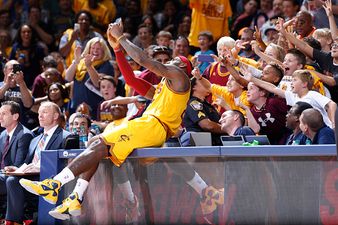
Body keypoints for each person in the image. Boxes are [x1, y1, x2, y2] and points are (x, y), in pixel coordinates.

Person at [19, 21, 224, 223]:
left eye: (174, 61)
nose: (169, 63)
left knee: (101, 144)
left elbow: (145, 60)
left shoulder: (181, 78)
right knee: (97, 145)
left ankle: (55, 185)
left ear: (182, 68)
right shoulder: (163, 89)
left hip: (153, 126)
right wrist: (116, 49)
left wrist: (122, 37)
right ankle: (75, 198)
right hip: (149, 126)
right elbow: (132, 81)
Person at [4, 101, 71, 225]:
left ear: (56, 116)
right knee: (11, 179)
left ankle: (15, 221)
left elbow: (67, 165)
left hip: (50, 179)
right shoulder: (35, 139)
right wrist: (17, 169)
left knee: (12, 181)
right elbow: (27, 163)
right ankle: (15, 220)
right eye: (39, 113)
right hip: (31, 177)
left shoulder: (66, 137)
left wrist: (40, 169)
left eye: (44, 112)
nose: (40, 116)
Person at [245, 69, 336, 129]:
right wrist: (252, 79)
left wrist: (333, 123)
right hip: (308, 130)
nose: (291, 83)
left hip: (324, 129)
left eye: (295, 80)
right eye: (291, 80)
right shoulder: (293, 96)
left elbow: (332, 104)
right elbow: (273, 88)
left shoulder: (312, 94)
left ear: (304, 84)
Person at [65, 37, 114, 119]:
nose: (95, 51)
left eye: (98, 49)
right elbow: (68, 78)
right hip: (76, 107)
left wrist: (89, 66)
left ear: (104, 51)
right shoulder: (81, 63)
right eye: (93, 48)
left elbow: (98, 83)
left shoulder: (106, 65)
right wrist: (76, 61)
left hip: (95, 109)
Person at [0, 101, 33, 208]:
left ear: (15, 116)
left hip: (13, 177)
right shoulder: (3, 134)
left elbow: (18, 165)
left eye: (3, 114)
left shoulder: (24, 135)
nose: (0, 117)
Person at [181, 77, 225, 146]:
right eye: (202, 82)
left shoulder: (207, 104)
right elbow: (207, 125)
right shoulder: (194, 103)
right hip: (200, 147)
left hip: (214, 145)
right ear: (193, 87)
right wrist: (227, 129)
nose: (206, 84)